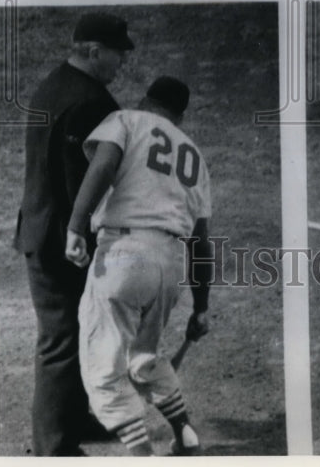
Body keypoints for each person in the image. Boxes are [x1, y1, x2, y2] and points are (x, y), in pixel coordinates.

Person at [65, 76, 212, 457]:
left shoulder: (127, 119)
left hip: (125, 252)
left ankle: (142, 456)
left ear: (146, 99)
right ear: (180, 116)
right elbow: (201, 242)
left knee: (103, 366)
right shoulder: (195, 157)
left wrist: (76, 226)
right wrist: (201, 307)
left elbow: (103, 166)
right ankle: (185, 434)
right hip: (170, 263)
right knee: (143, 358)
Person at [13, 11, 134, 456]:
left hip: (41, 228)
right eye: (118, 53)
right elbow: (81, 179)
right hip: (63, 239)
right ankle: (54, 448)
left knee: (77, 329)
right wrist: (84, 232)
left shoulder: (52, 84)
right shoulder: (92, 102)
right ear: (94, 52)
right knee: (62, 339)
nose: (122, 62)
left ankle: (77, 418)